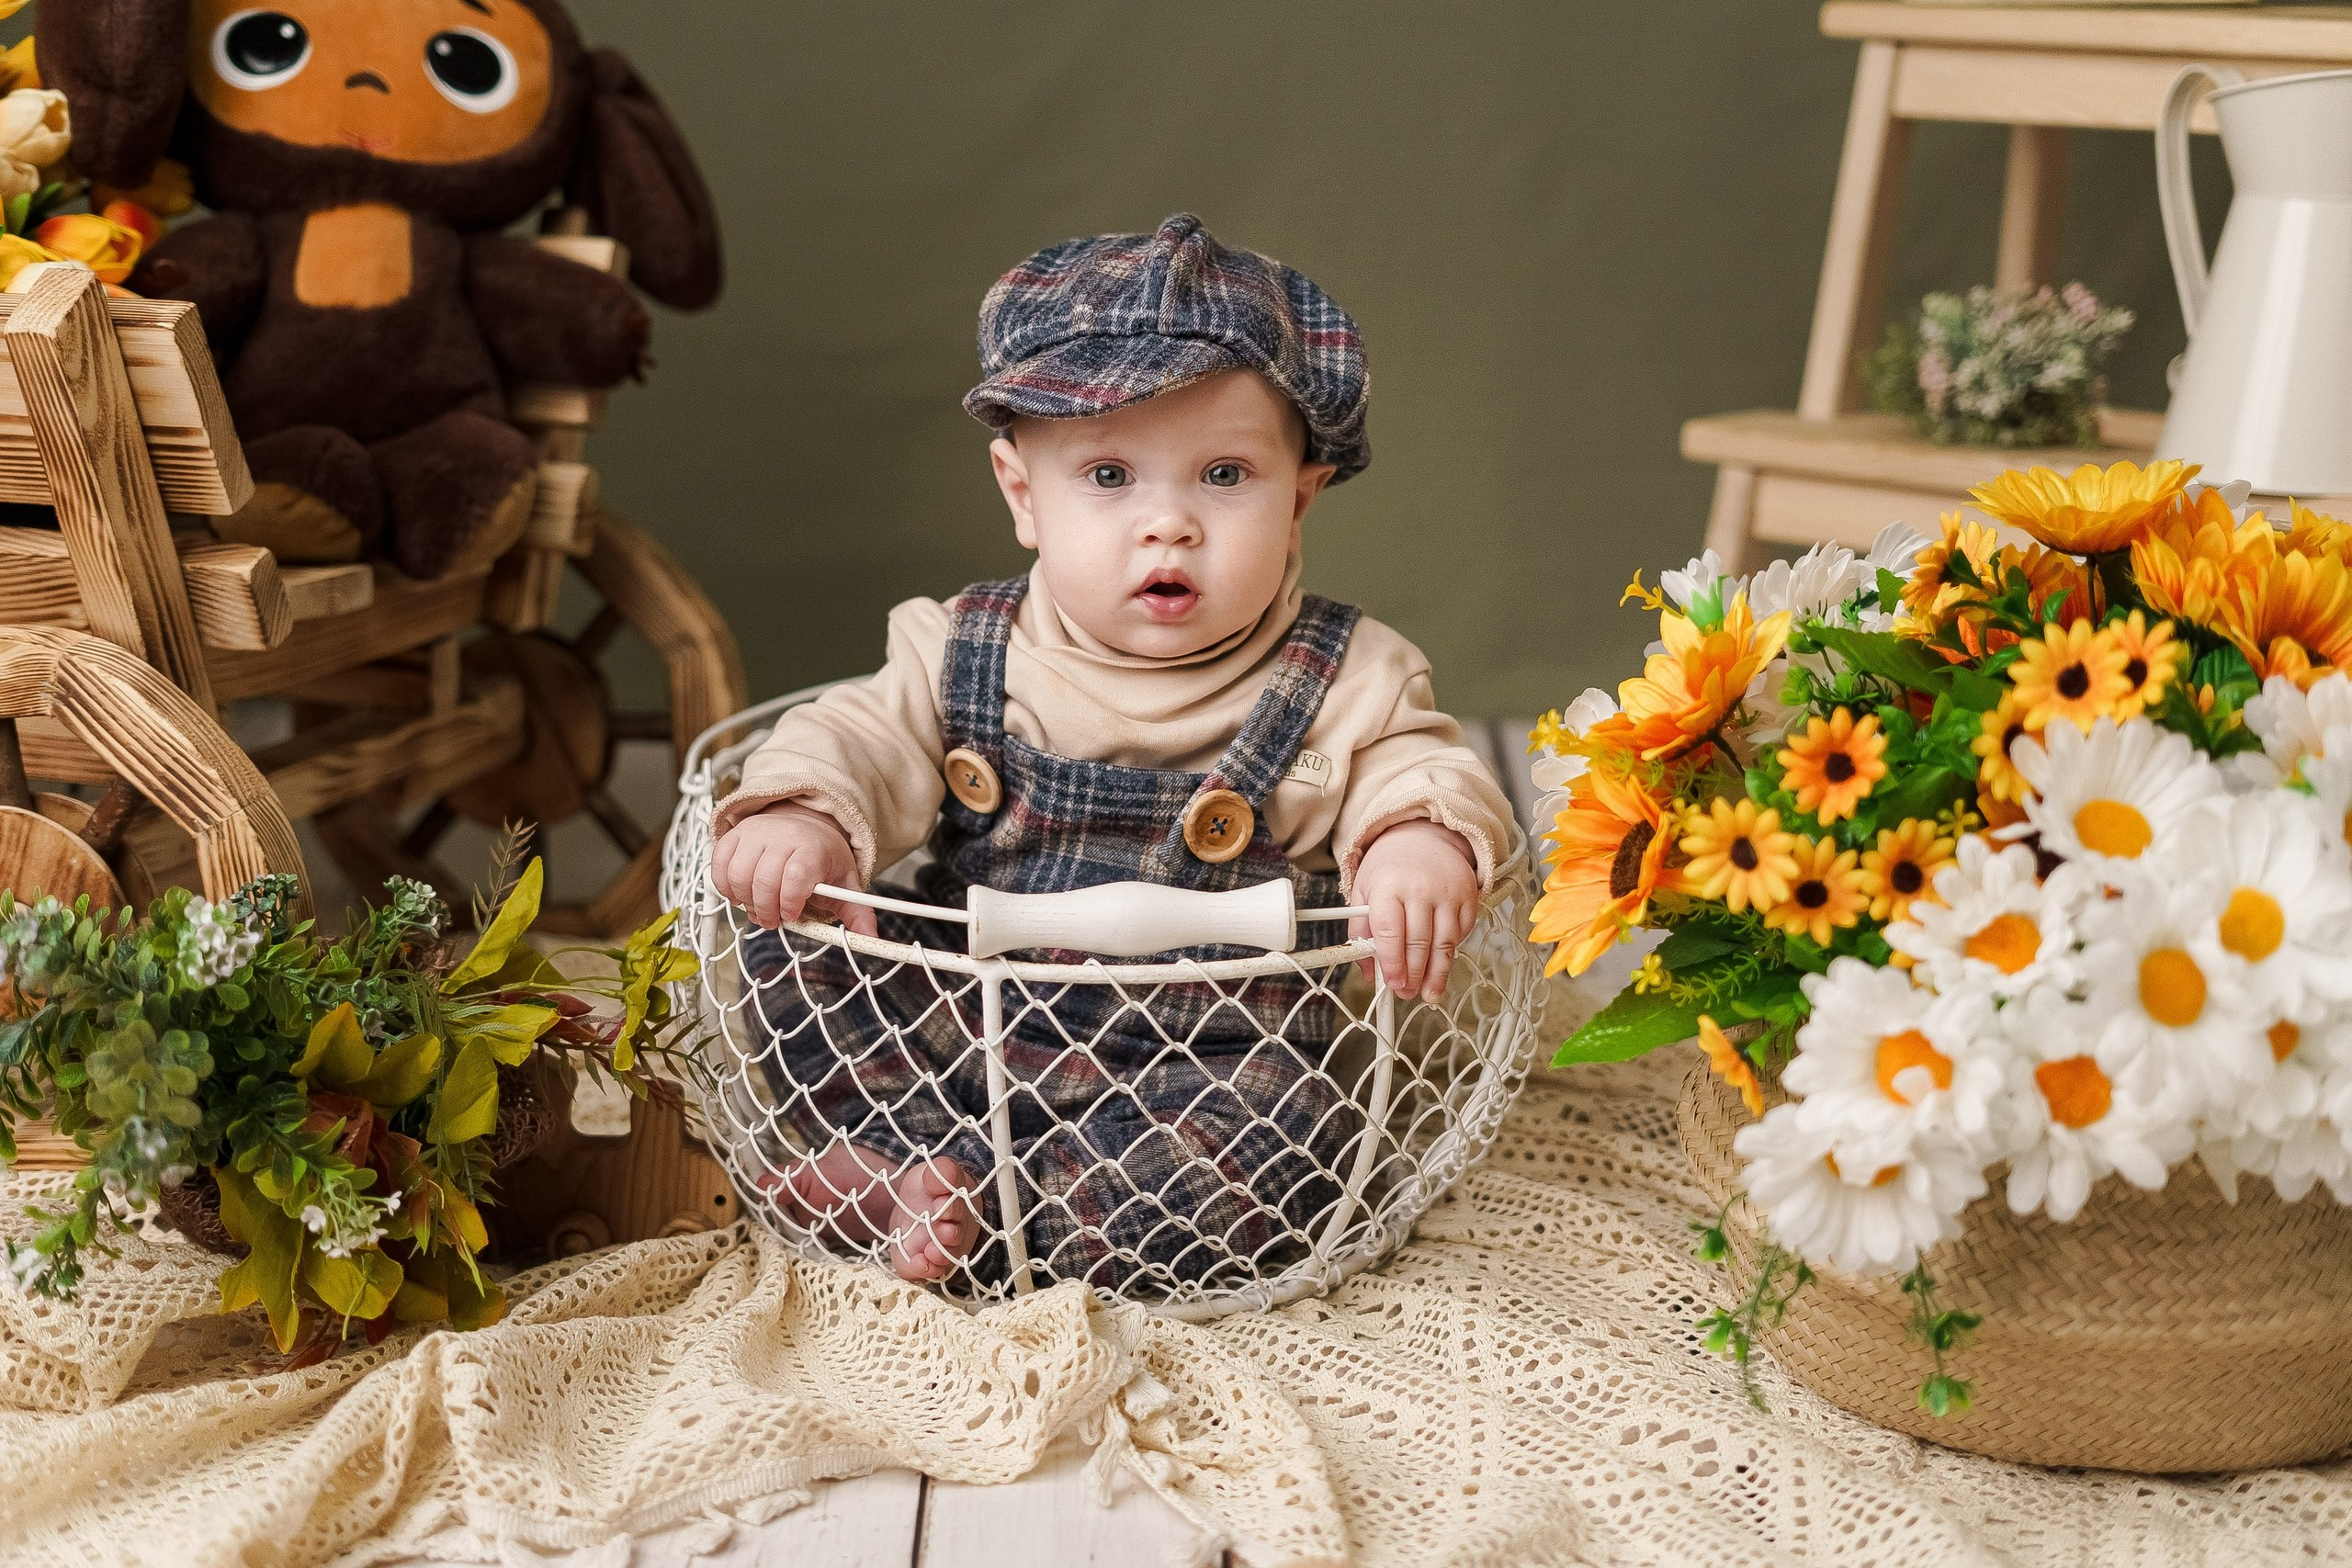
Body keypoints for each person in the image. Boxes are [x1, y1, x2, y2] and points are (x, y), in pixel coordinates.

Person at [710, 214, 1514, 1291]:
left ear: (1299, 501)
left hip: (1209, 1072)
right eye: (1107, 477)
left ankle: (973, 1206)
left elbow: (1412, 763)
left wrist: (1414, 839)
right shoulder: (960, 647)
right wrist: (807, 815)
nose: (1168, 524)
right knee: (783, 916)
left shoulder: (1343, 677)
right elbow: (853, 731)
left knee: (1293, 1139)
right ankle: (907, 1146)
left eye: (1224, 476)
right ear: (1020, 494)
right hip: (956, 1025)